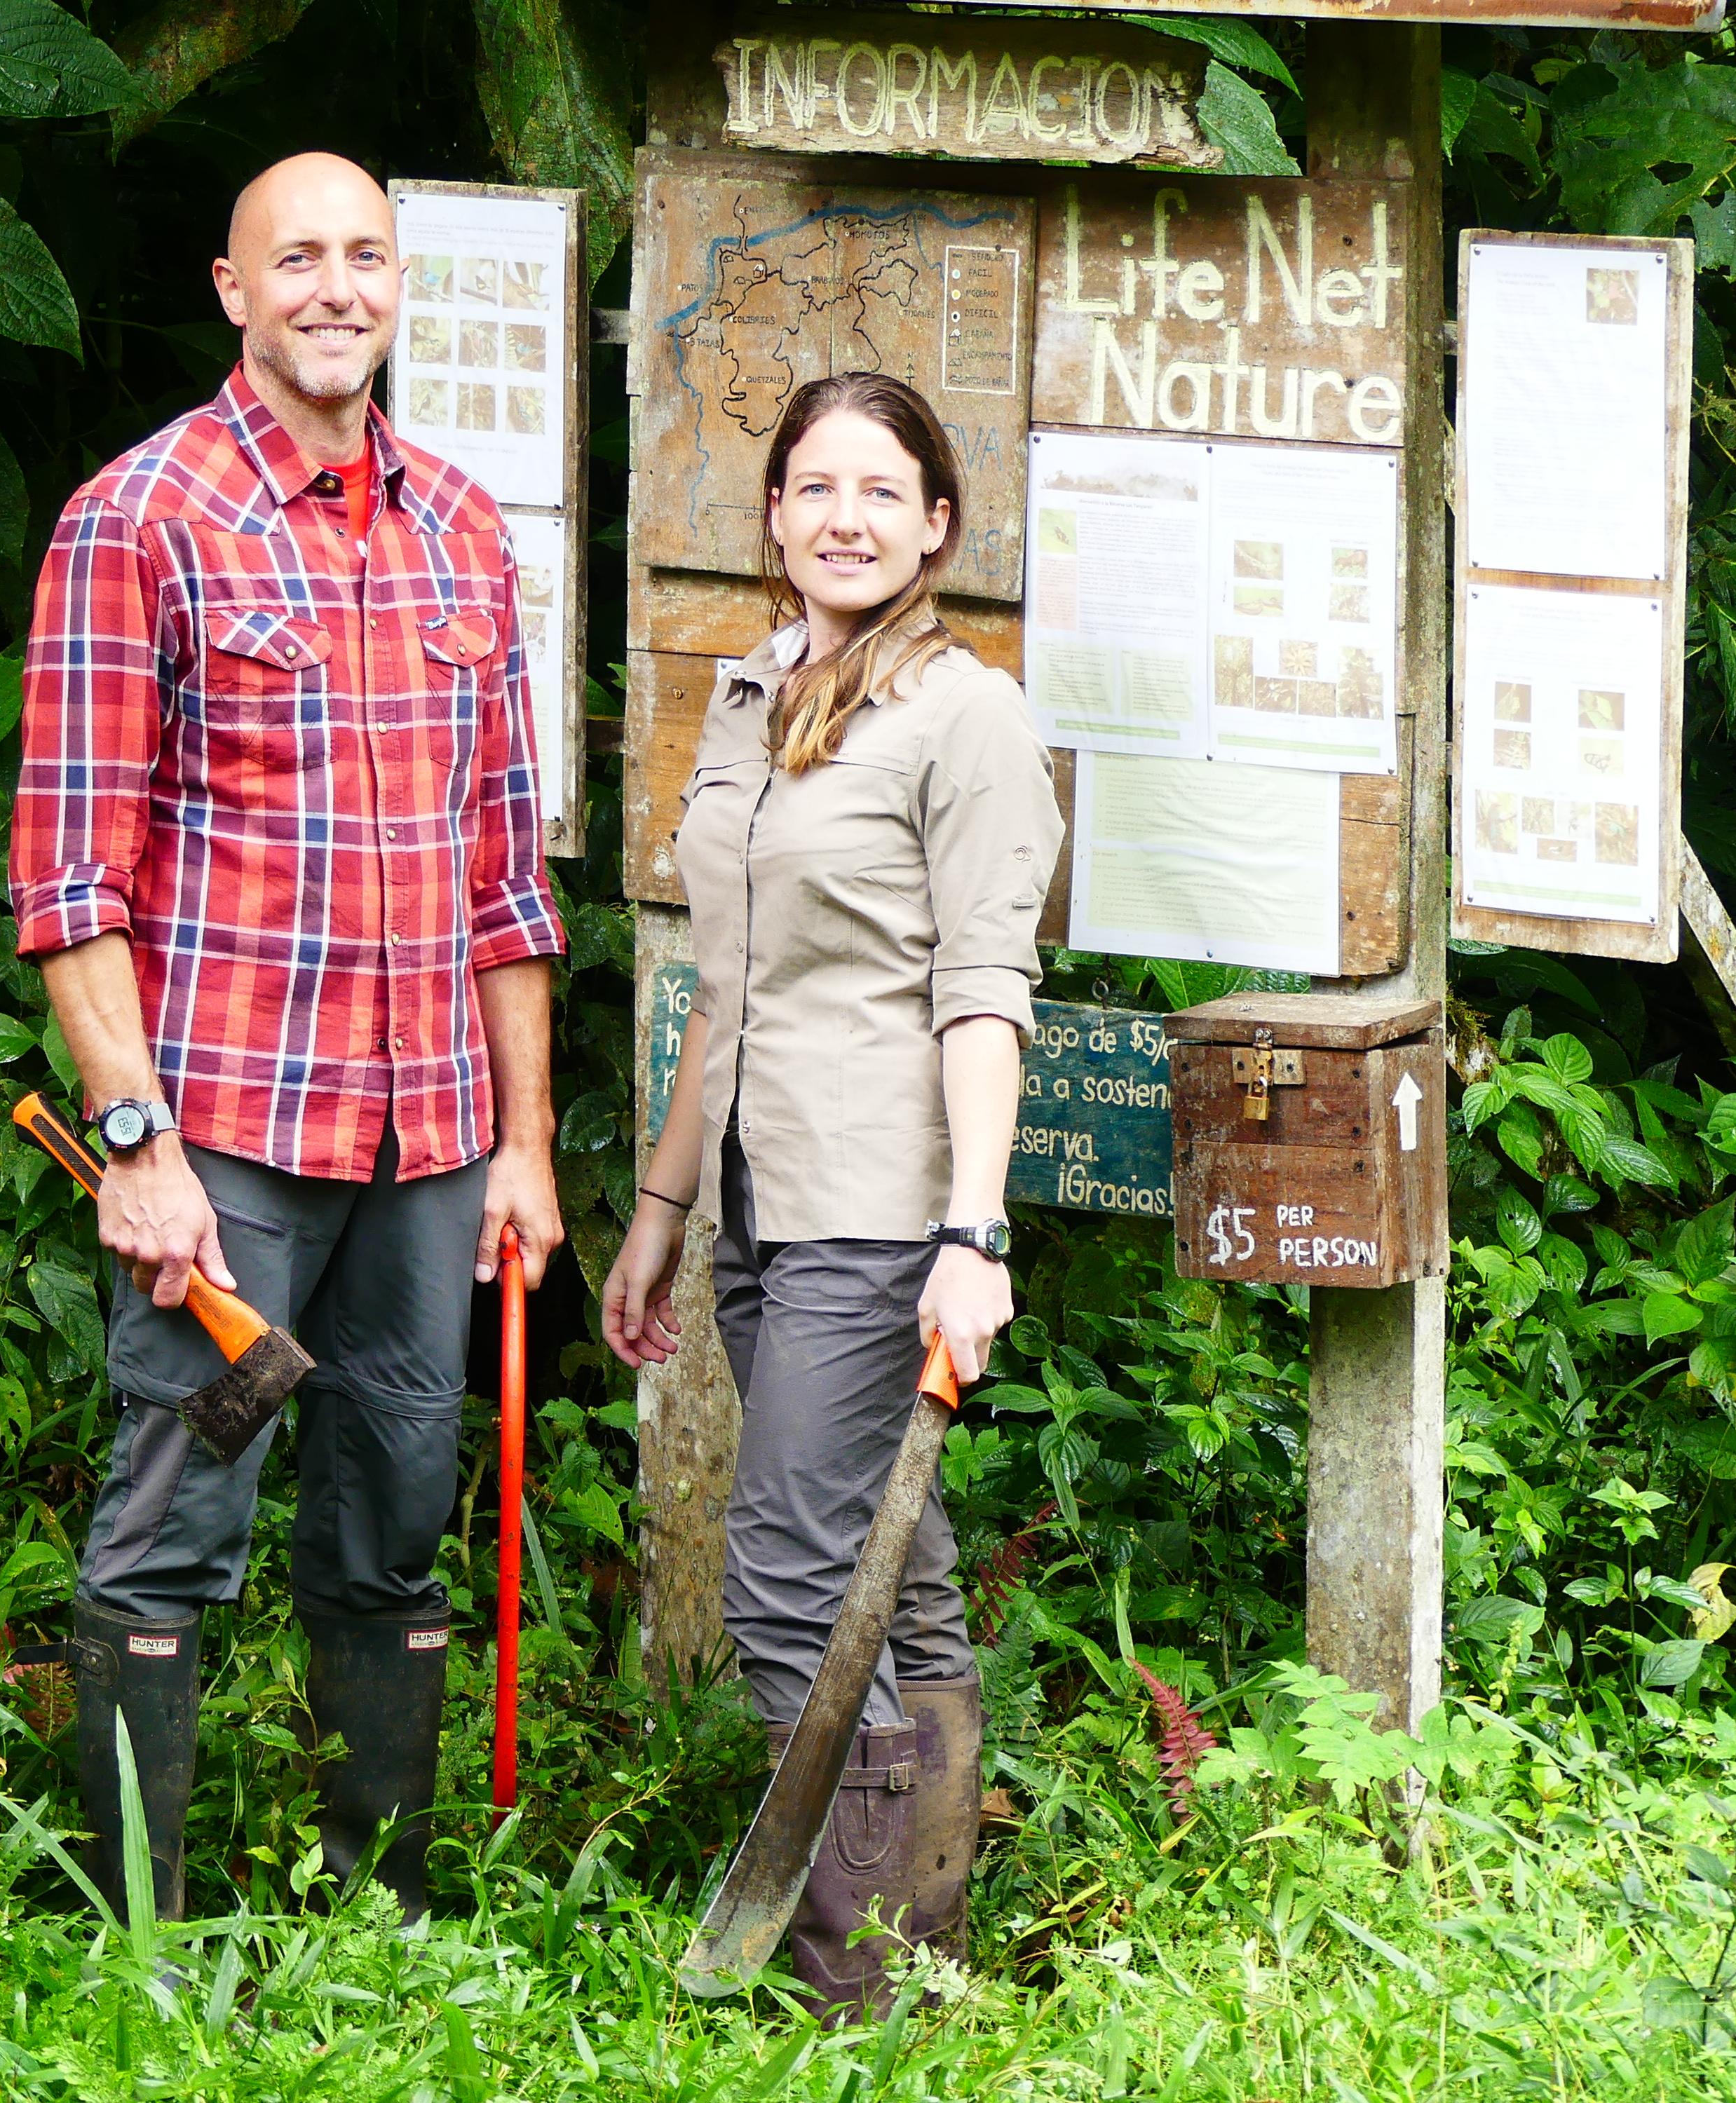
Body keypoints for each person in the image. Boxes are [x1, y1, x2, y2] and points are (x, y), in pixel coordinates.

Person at [10, 151, 565, 1924]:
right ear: (233, 290)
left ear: (399, 284)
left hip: (428, 1139)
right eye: (298, 257)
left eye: (366, 256)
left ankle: (376, 1918)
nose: (336, 287)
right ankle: (131, 1940)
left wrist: (525, 1145)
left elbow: (504, 882)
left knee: (395, 1519)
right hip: (228, 1140)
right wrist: (133, 1148)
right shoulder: (139, 517)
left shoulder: (460, 527)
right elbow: (69, 882)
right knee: (175, 1518)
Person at [600, 372, 1062, 2019]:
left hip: (877, 1205)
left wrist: (971, 1234)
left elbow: (984, 993)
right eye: (813, 487)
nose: (843, 519)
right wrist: (663, 1210)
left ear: (936, 527)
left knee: (791, 1572)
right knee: (895, 1566)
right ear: (773, 515)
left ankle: (846, 1982)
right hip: (756, 1190)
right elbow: (722, 987)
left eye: (880, 492)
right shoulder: (749, 695)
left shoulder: (965, 719)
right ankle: (918, 1946)